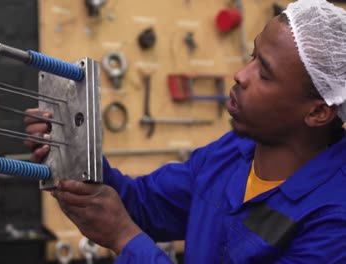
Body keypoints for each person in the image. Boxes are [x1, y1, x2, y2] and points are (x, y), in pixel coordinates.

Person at [24, 0, 346, 262]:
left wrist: (125, 239)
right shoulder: (231, 154)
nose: (240, 74)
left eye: (264, 73)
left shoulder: (335, 222)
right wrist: (77, 156)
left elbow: (126, 226)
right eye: (251, 57)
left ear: (318, 111)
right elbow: (143, 206)